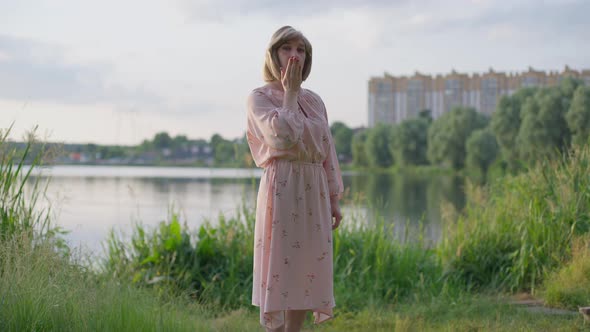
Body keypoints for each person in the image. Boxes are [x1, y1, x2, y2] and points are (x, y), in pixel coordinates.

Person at [246, 25, 344, 332]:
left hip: (313, 190)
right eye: (287, 49)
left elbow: (326, 151)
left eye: (301, 50)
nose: (294, 55)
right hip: (283, 188)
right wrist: (289, 93)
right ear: (274, 55)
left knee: (306, 268)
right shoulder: (259, 98)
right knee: (281, 267)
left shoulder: (315, 101)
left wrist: (333, 198)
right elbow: (283, 138)